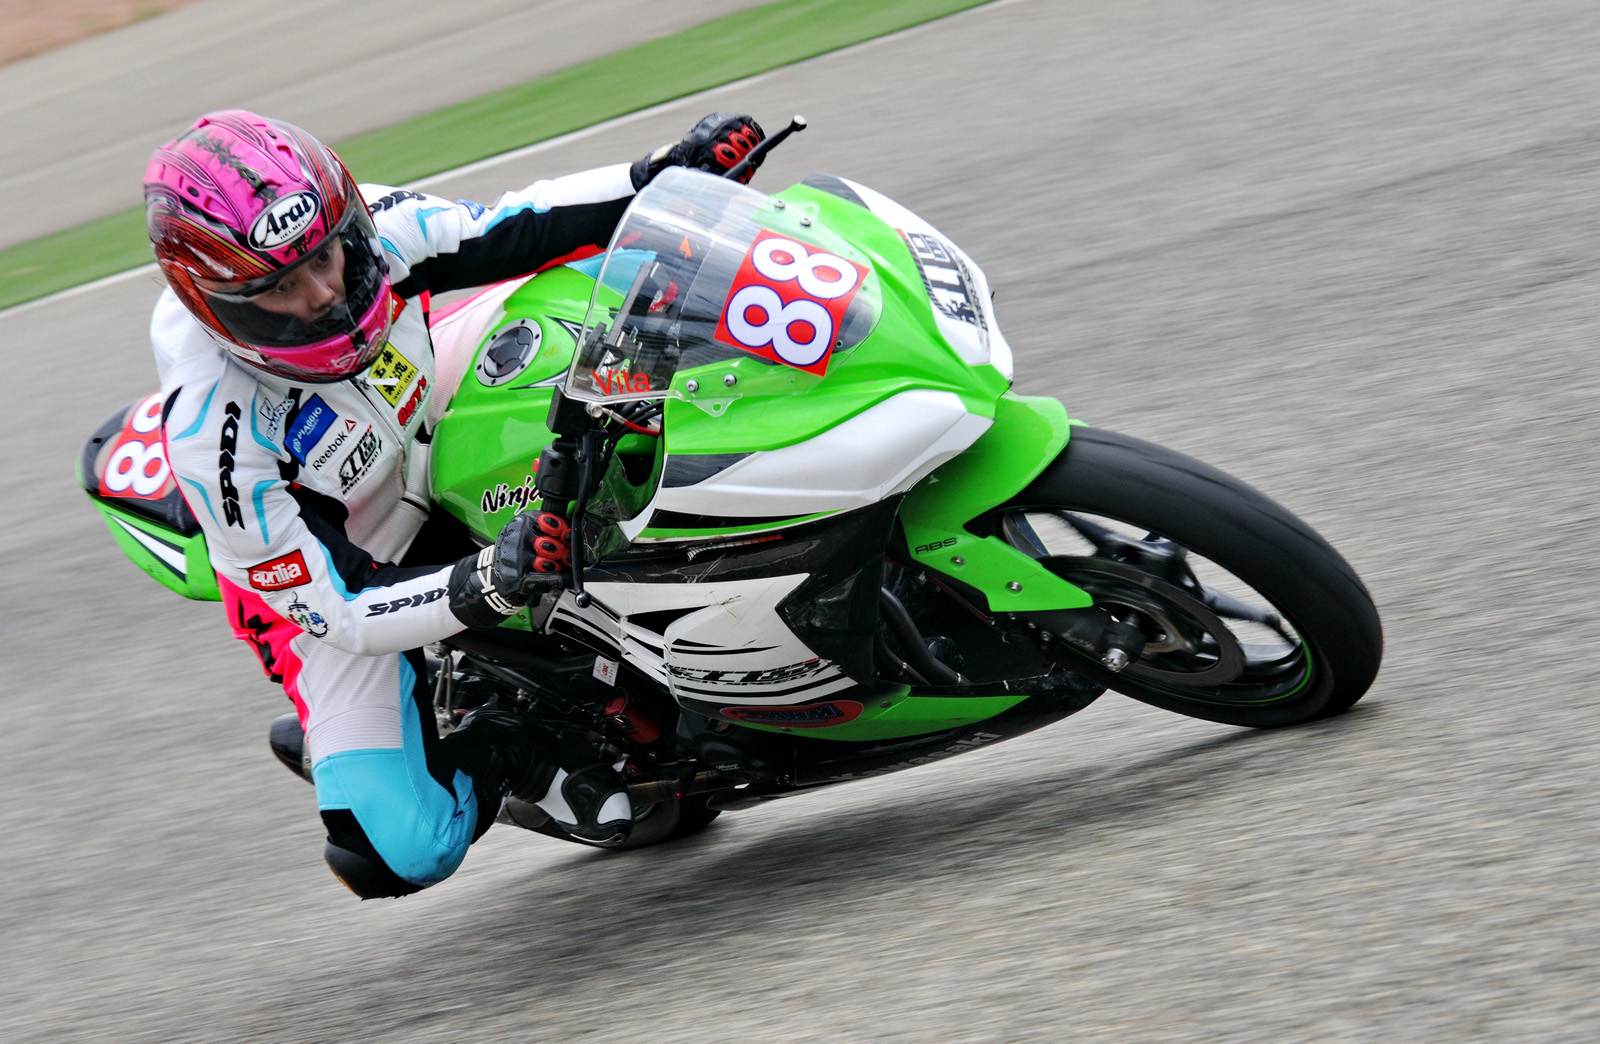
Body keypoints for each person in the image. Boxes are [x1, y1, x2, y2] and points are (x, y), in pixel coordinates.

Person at [144, 108, 764, 898]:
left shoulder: (367, 227)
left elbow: (517, 222)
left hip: (420, 415)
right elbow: (341, 607)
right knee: (399, 849)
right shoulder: (217, 436)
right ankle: (513, 744)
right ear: (218, 304)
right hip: (328, 578)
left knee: (606, 321)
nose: (326, 291)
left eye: (327, 256)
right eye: (282, 289)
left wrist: (665, 176)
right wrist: (489, 578)